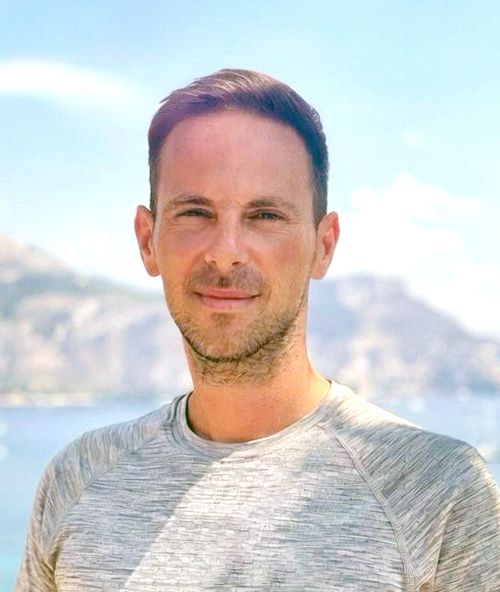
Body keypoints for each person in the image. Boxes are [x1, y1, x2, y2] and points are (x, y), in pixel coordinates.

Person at [16, 69, 500, 592]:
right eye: (195, 212)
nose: (226, 252)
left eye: (265, 215)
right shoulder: (78, 478)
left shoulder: (439, 492)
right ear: (147, 240)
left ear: (323, 246)